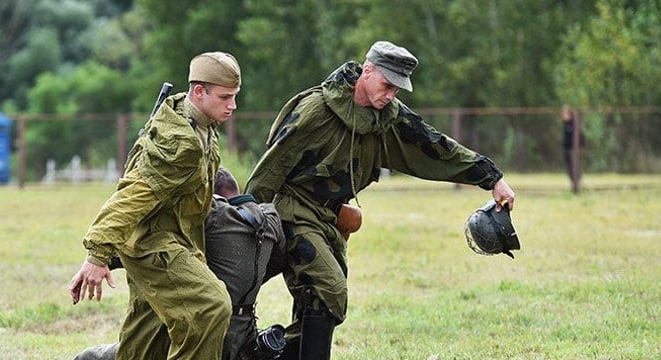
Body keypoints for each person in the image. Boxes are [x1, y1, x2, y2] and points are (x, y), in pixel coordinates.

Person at [244, 40, 516, 359]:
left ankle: (264, 353)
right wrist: (248, 222)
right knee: (329, 289)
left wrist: (491, 177)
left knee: (321, 303)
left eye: (397, 90)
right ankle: (253, 351)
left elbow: (434, 145)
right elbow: (271, 169)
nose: (390, 95)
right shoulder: (315, 111)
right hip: (292, 211)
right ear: (367, 70)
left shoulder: (387, 117)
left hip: (330, 220)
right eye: (387, 85)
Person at [68, 51, 242, 360]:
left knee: (147, 341)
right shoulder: (180, 141)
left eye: (234, 96)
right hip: (153, 244)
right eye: (225, 97)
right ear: (199, 92)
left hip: (170, 238)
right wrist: (97, 254)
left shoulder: (199, 122)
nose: (233, 105)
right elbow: (132, 195)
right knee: (211, 306)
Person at [72, 167, 287, 360]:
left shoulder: (213, 215)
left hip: (201, 331)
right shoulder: (269, 220)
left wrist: (103, 261)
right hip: (244, 338)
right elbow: (278, 262)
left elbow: (153, 242)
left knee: (104, 355)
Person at [561, 105, 584, 189]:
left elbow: (580, 136)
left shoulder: (573, 124)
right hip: (567, 149)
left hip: (573, 150)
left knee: (574, 167)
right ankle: (574, 184)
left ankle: (576, 184)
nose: (563, 115)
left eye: (565, 113)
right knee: (569, 168)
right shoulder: (565, 124)